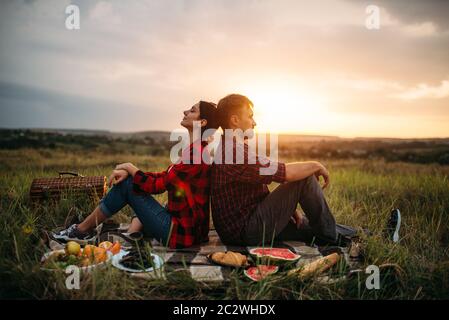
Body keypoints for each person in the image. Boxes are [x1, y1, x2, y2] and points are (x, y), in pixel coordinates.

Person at [210, 94, 401, 247]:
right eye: (250, 116)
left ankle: (377, 237)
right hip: (245, 231)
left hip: (249, 222)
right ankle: (330, 238)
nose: (254, 122)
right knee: (304, 178)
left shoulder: (232, 147)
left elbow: (253, 189)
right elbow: (285, 173)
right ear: (235, 120)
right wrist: (316, 165)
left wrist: (287, 209)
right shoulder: (232, 151)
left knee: (309, 226)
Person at [53, 101, 218, 249]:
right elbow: (164, 176)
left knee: (129, 185)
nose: (185, 111)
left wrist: (130, 168)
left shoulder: (196, 154)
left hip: (179, 234)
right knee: (137, 185)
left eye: (192, 110)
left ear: (202, 122)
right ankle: (131, 237)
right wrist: (133, 172)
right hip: (187, 230)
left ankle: (80, 231)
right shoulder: (195, 150)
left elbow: (159, 185)